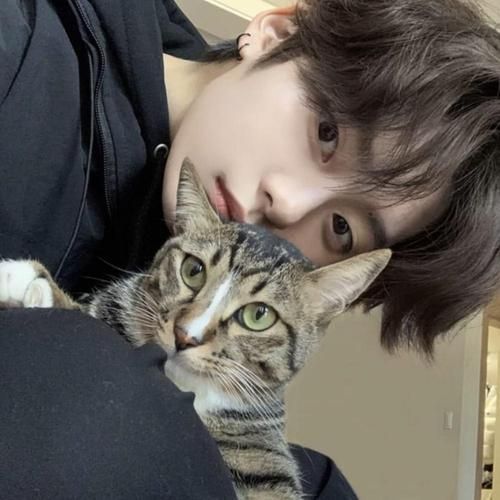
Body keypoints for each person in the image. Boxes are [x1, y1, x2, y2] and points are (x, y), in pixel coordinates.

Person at [0, 0, 498, 497]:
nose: (288, 203)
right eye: (326, 133)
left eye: (342, 227)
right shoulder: (18, 42)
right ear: (276, 35)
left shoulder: (188, 242)